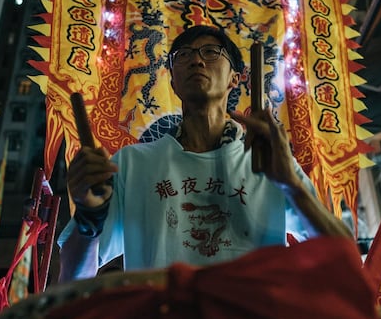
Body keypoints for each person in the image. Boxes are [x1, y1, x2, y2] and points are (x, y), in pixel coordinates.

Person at [58, 25, 350, 281]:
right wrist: (88, 214)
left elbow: (344, 260)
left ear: (235, 78)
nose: (196, 60)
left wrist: (292, 184)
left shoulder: (267, 160)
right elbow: (73, 279)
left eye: (211, 52)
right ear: (172, 80)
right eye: (182, 56)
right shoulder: (132, 164)